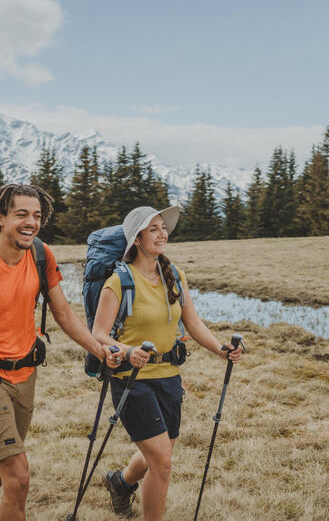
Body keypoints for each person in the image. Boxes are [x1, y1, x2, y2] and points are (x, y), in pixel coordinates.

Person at [0, 184, 110, 521]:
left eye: (37, 216)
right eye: (22, 214)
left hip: (26, 376)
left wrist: (100, 350)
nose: (31, 222)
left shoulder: (42, 255)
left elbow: (64, 314)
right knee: (19, 477)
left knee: (5, 463)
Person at [92, 205, 242, 520]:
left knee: (161, 451)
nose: (162, 234)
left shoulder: (174, 275)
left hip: (169, 377)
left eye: (163, 227)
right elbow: (99, 334)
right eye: (153, 229)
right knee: (162, 461)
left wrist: (220, 349)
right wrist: (127, 350)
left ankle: (120, 482)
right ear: (137, 239)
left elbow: (193, 323)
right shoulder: (119, 281)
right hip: (132, 380)